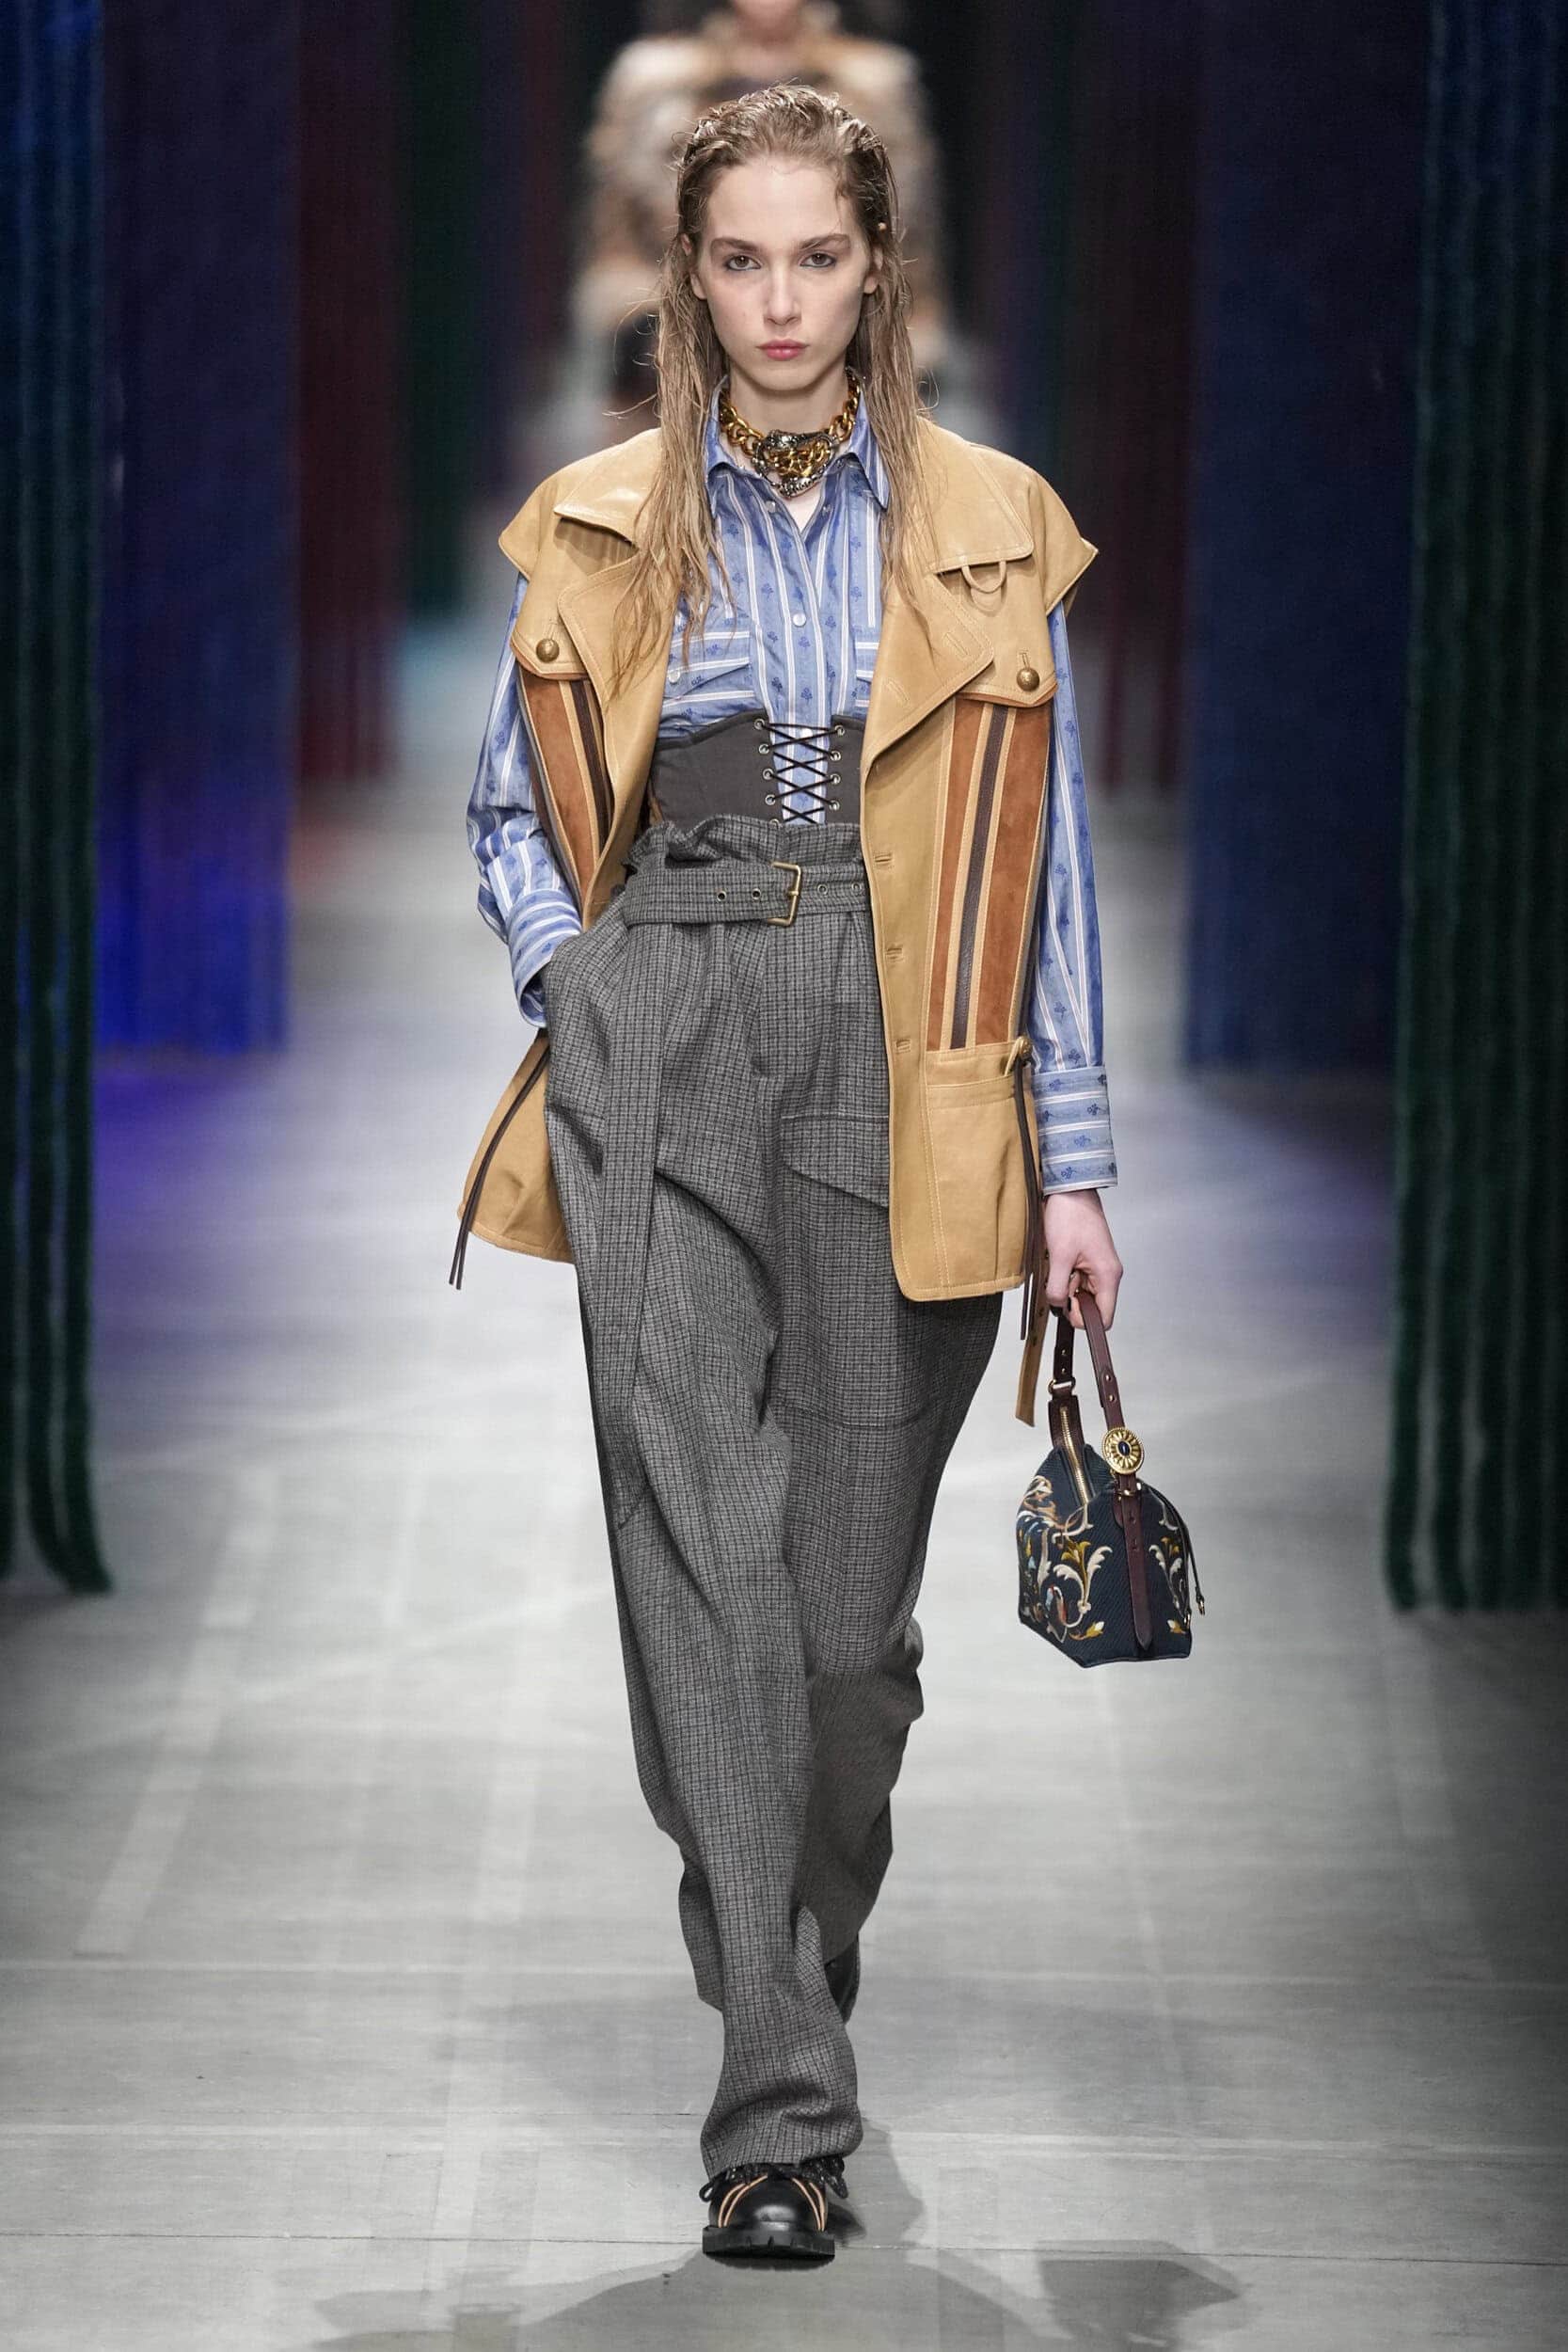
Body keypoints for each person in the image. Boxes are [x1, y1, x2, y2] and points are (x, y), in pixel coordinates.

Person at [457, 81, 1122, 2264]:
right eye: (736, 259)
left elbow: (1045, 872)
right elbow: (507, 810)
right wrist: (581, 992)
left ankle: (789, 1941)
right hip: (663, 1025)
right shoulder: (597, 521)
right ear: (683, 273)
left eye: (814, 258)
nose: (775, 302)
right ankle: (775, 2109)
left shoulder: (994, 523)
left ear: (873, 267)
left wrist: (1075, 1164)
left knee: (841, 1631)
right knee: (701, 1584)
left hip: (906, 1047)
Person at [575, 1, 949, 407]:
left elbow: (906, 237)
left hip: (849, 350)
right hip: (666, 344)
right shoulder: (649, 83)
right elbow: (613, 236)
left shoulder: (876, 85)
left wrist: (909, 339)